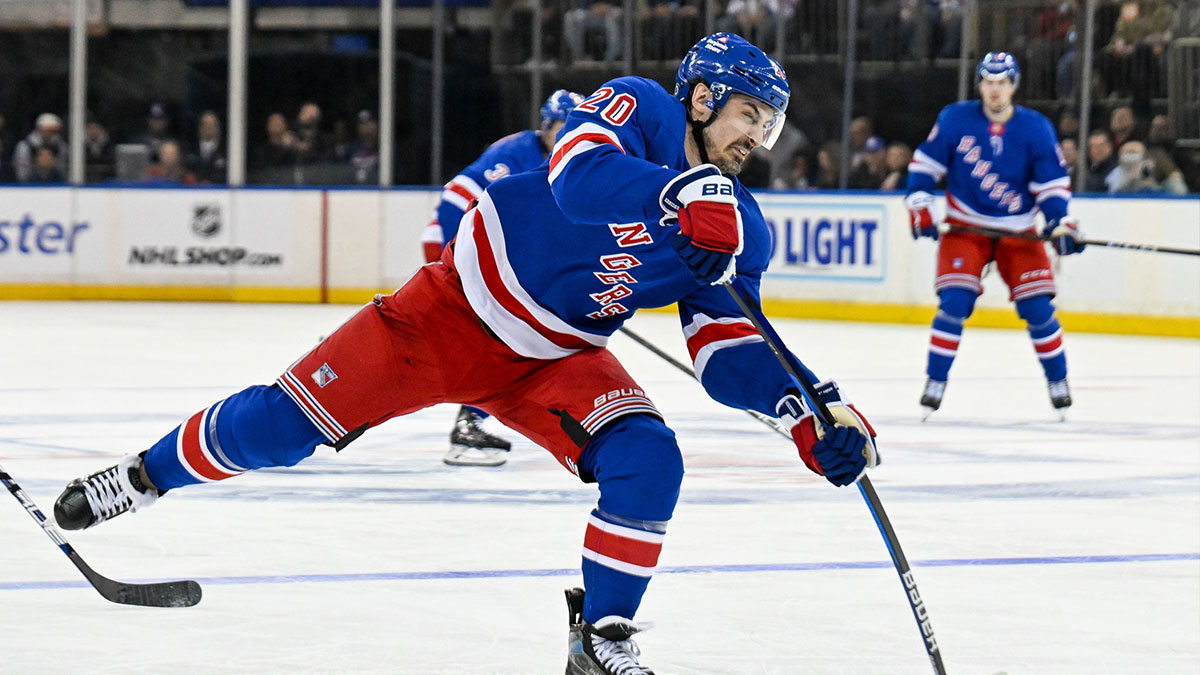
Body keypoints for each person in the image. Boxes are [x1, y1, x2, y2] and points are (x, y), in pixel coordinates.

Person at [52, 33, 878, 674]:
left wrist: (804, 415)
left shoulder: (744, 224)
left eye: (768, 127)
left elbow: (726, 346)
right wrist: (673, 193)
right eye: (748, 117)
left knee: (649, 457)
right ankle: (142, 475)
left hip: (555, 357)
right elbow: (577, 178)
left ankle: (603, 636)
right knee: (282, 424)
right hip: (448, 313)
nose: (758, 141)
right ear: (701, 98)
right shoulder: (644, 110)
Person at [906, 52, 1084, 418]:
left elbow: (1051, 185)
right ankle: (935, 380)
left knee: (1038, 309)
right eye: (989, 82)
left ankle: (1058, 380)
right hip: (965, 226)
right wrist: (921, 204)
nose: (995, 90)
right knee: (954, 303)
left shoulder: (1035, 127)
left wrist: (1059, 222)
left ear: (1013, 85)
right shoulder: (955, 118)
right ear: (980, 84)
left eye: (1002, 82)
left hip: (1018, 230)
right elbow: (925, 165)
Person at [419, 89, 585, 467]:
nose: (568, 135)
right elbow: (455, 200)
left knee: (491, 339)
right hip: (455, 245)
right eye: (561, 127)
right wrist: (458, 263)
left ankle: (469, 420)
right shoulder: (515, 153)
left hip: (489, 254)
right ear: (545, 126)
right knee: (495, 337)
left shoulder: (574, 161)